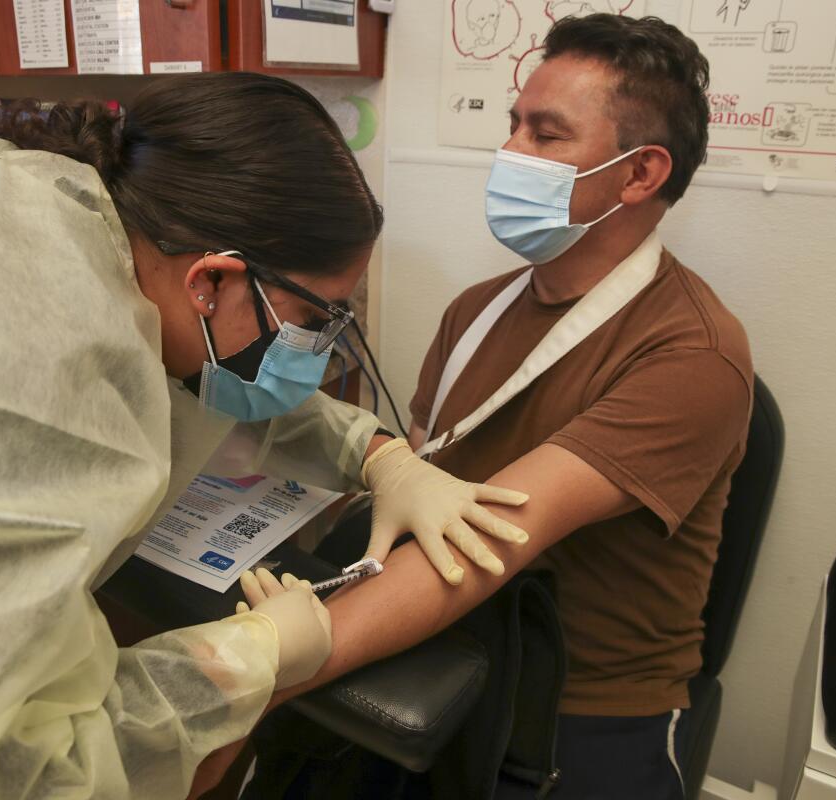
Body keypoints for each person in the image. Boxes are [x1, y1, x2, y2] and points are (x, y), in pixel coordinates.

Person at [0, 73, 530, 800]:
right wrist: (248, 655)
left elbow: (209, 376)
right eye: (315, 320)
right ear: (212, 278)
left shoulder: (35, 202)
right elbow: (12, 774)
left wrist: (378, 452)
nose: (319, 350)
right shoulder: (41, 414)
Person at [224, 14, 753, 800]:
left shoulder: (691, 355)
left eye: (546, 135)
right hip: (442, 638)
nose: (510, 154)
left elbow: (488, 542)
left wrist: (269, 668)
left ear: (639, 176)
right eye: (513, 127)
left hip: (582, 702)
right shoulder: (475, 309)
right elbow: (417, 476)